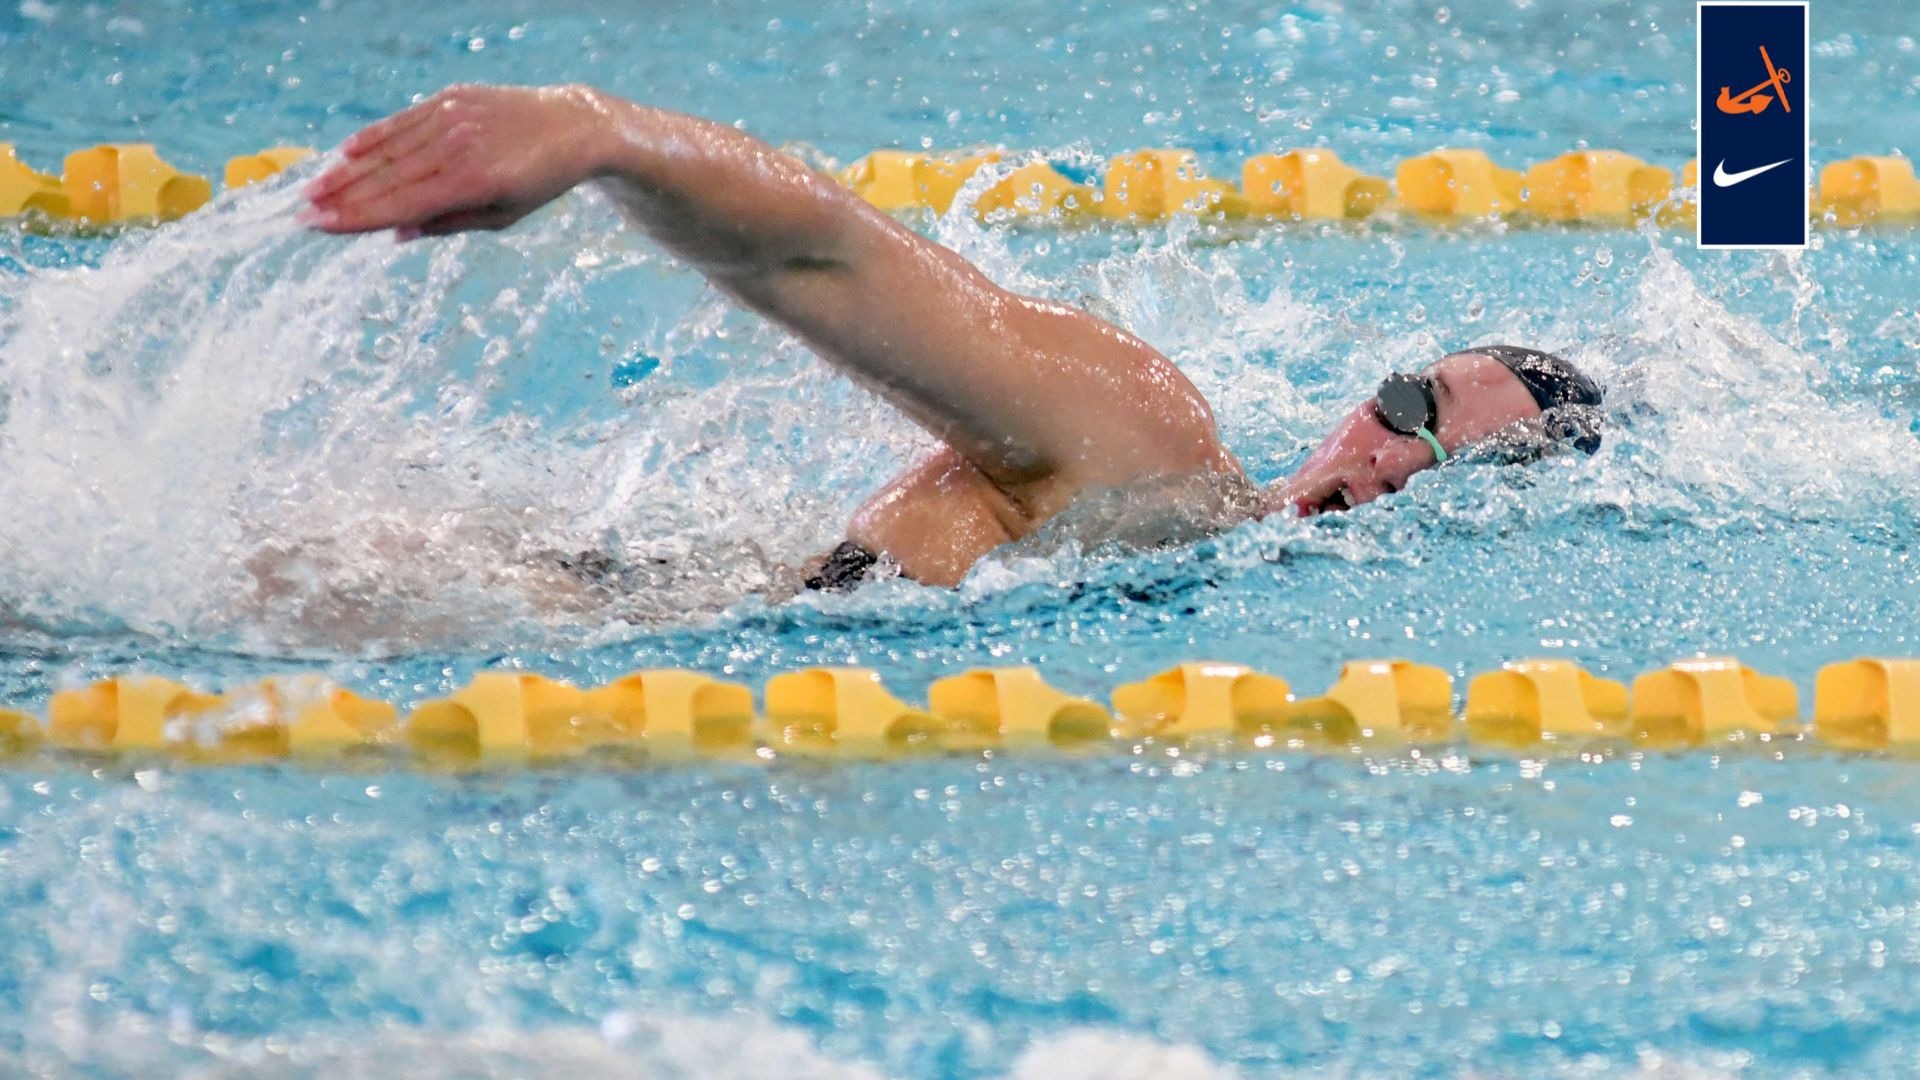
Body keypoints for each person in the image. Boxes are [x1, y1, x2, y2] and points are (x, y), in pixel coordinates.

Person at [300, 84, 1603, 591]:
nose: (1393, 458)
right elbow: (835, 251)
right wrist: (597, 135)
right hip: (484, 598)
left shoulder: (1171, 566)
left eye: (1453, 465)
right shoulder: (1143, 436)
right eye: (1406, 403)